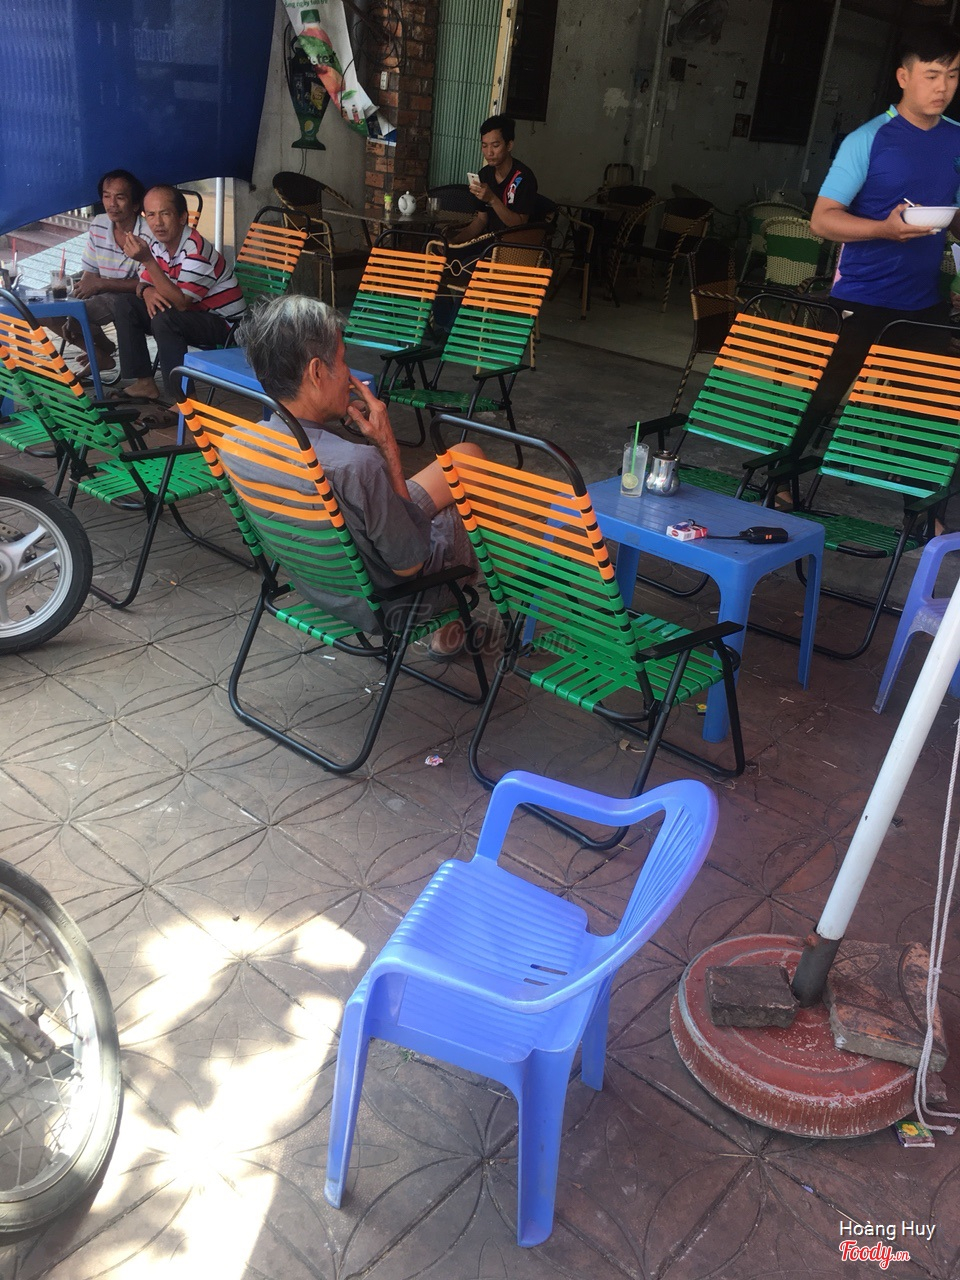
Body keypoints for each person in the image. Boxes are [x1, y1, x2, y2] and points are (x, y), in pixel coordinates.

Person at [236, 296, 480, 654]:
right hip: (391, 603)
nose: (350, 377)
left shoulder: (238, 444)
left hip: (320, 585)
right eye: (342, 360)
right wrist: (388, 448)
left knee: (466, 457)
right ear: (317, 372)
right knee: (467, 503)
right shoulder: (355, 465)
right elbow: (410, 564)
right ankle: (458, 619)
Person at [788, 24, 960, 486]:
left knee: (928, 409)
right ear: (904, 77)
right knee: (823, 396)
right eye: (932, 75)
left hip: (923, 302)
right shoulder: (869, 139)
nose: (943, 87)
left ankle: (922, 510)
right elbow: (823, 220)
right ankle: (779, 480)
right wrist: (884, 229)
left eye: (952, 75)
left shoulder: (957, 140)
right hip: (860, 297)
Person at [111, 185, 246, 404]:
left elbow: (181, 303)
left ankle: (183, 401)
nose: (157, 222)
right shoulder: (157, 244)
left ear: (182, 217)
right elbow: (141, 283)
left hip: (226, 324)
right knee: (125, 304)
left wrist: (147, 261)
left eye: (165, 213)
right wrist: (147, 291)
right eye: (151, 215)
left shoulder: (196, 249)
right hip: (192, 315)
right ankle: (144, 383)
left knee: (166, 319)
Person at [52, 169, 148, 377]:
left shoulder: (147, 233)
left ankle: (100, 351)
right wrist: (81, 292)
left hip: (133, 299)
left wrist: (100, 284)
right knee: (51, 309)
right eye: (106, 196)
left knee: (79, 313)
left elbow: (147, 283)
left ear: (135, 204)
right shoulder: (99, 223)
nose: (112, 204)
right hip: (104, 293)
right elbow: (91, 271)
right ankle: (100, 352)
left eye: (120, 197)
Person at [448, 114, 539, 246]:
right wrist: (454, 241)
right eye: (484, 146)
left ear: (509, 145)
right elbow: (481, 220)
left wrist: (492, 199)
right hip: (489, 243)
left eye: (495, 145)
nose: (489, 152)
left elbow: (520, 224)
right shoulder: (484, 175)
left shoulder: (524, 177)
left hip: (514, 247)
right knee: (444, 251)